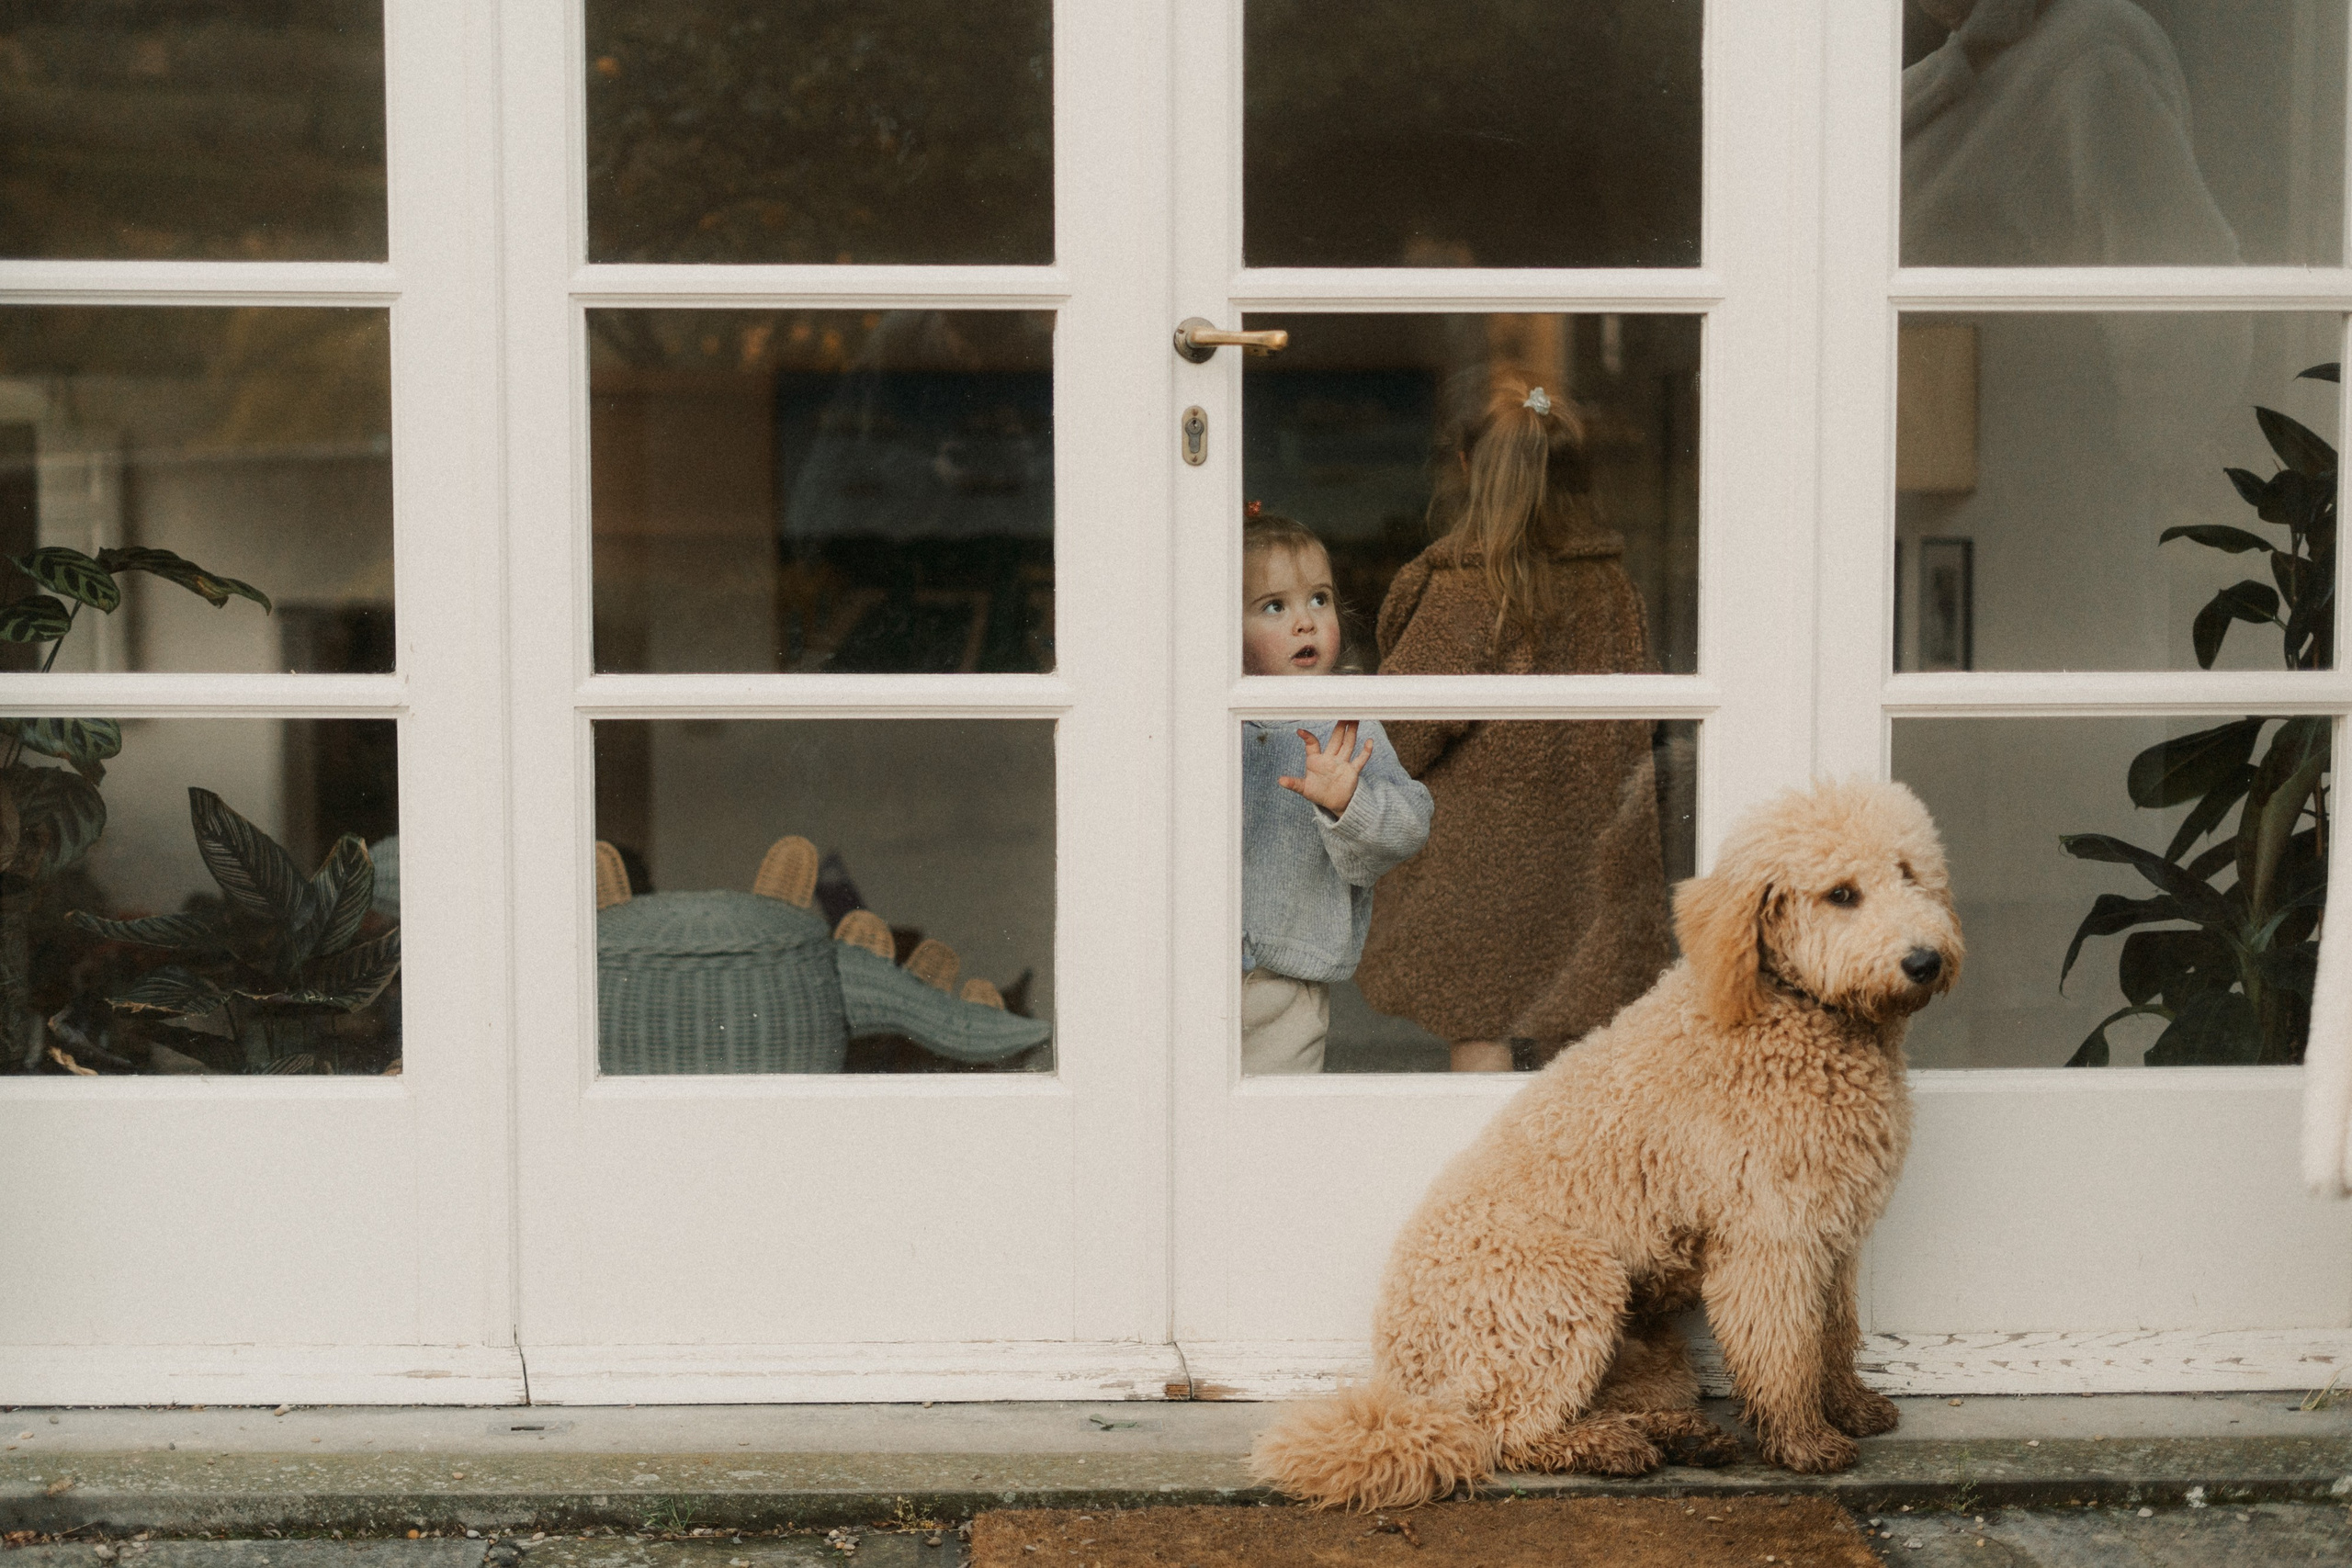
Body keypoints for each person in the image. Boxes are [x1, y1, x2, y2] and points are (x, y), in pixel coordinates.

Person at [1353, 379, 1671, 1072]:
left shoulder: (1465, 590)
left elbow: (1401, 735)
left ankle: (1484, 1169)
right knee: (1579, 1036)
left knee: (1483, 1024)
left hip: (1483, 867)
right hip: (1590, 854)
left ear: (1466, 468)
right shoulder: (1613, 587)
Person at [1239, 506, 1433, 1075]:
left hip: (1290, 985)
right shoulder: (1205, 721)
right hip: (1184, 976)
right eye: (1275, 606)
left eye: (1318, 600)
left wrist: (1350, 803)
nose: (1305, 622)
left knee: (1276, 1130)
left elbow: (1408, 823)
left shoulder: (1346, 725)